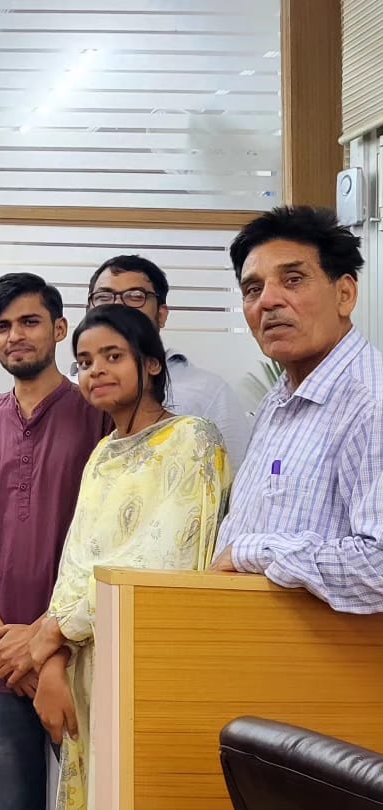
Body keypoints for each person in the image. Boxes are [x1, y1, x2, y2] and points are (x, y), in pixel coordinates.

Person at [28, 305, 230, 810]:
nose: (95, 370)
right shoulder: (100, 454)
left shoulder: (192, 439)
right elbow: (75, 562)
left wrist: (55, 633)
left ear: (152, 363)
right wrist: (54, 657)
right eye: (84, 362)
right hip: (84, 662)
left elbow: (163, 560)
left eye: (113, 356)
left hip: (147, 656)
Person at [0, 273, 109, 810]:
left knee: (92, 798)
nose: (15, 335)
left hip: (79, 655)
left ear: (60, 329)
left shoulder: (100, 415)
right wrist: (3, 643)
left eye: (29, 322)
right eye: (2, 326)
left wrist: (43, 642)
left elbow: (106, 547)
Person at [211, 206, 383, 613]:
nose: (268, 301)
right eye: (253, 289)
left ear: (345, 294)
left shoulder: (371, 402)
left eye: (293, 279)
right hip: (247, 642)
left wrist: (252, 551)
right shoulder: (278, 398)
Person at [82, 254, 251, 462]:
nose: (117, 306)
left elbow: (236, 472)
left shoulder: (208, 393)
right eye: (104, 297)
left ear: (161, 315)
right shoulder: (73, 390)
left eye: (135, 297)